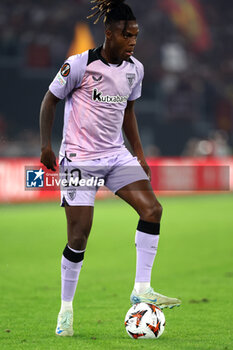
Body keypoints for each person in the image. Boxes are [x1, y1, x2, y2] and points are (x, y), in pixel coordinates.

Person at [40, 0, 181, 337]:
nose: (133, 40)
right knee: (78, 236)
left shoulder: (136, 69)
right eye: (127, 34)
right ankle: (66, 310)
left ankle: (142, 288)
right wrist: (46, 146)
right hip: (79, 159)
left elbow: (128, 113)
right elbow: (50, 100)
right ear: (109, 33)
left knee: (153, 210)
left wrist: (140, 154)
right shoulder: (79, 65)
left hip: (116, 156)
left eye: (135, 34)